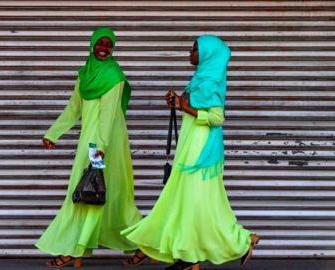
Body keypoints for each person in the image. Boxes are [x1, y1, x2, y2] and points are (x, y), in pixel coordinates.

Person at [121, 35, 260, 270]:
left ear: (207, 55)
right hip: (190, 146)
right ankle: (189, 258)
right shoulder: (199, 79)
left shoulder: (211, 81)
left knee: (199, 203)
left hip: (201, 152)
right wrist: (177, 102)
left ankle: (241, 241)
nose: (190, 52)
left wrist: (186, 107)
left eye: (195, 49)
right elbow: (192, 107)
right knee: (192, 203)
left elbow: (217, 117)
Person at [35, 27, 142, 267]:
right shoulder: (84, 74)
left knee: (91, 192)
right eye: (100, 43)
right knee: (99, 192)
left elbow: (109, 114)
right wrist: (53, 133)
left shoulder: (114, 75)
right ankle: (144, 242)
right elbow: (74, 107)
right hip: (91, 141)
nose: (104, 48)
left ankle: (76, 249)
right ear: (91, 45)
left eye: (108, 45)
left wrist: (100, 147)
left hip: (102, 144)